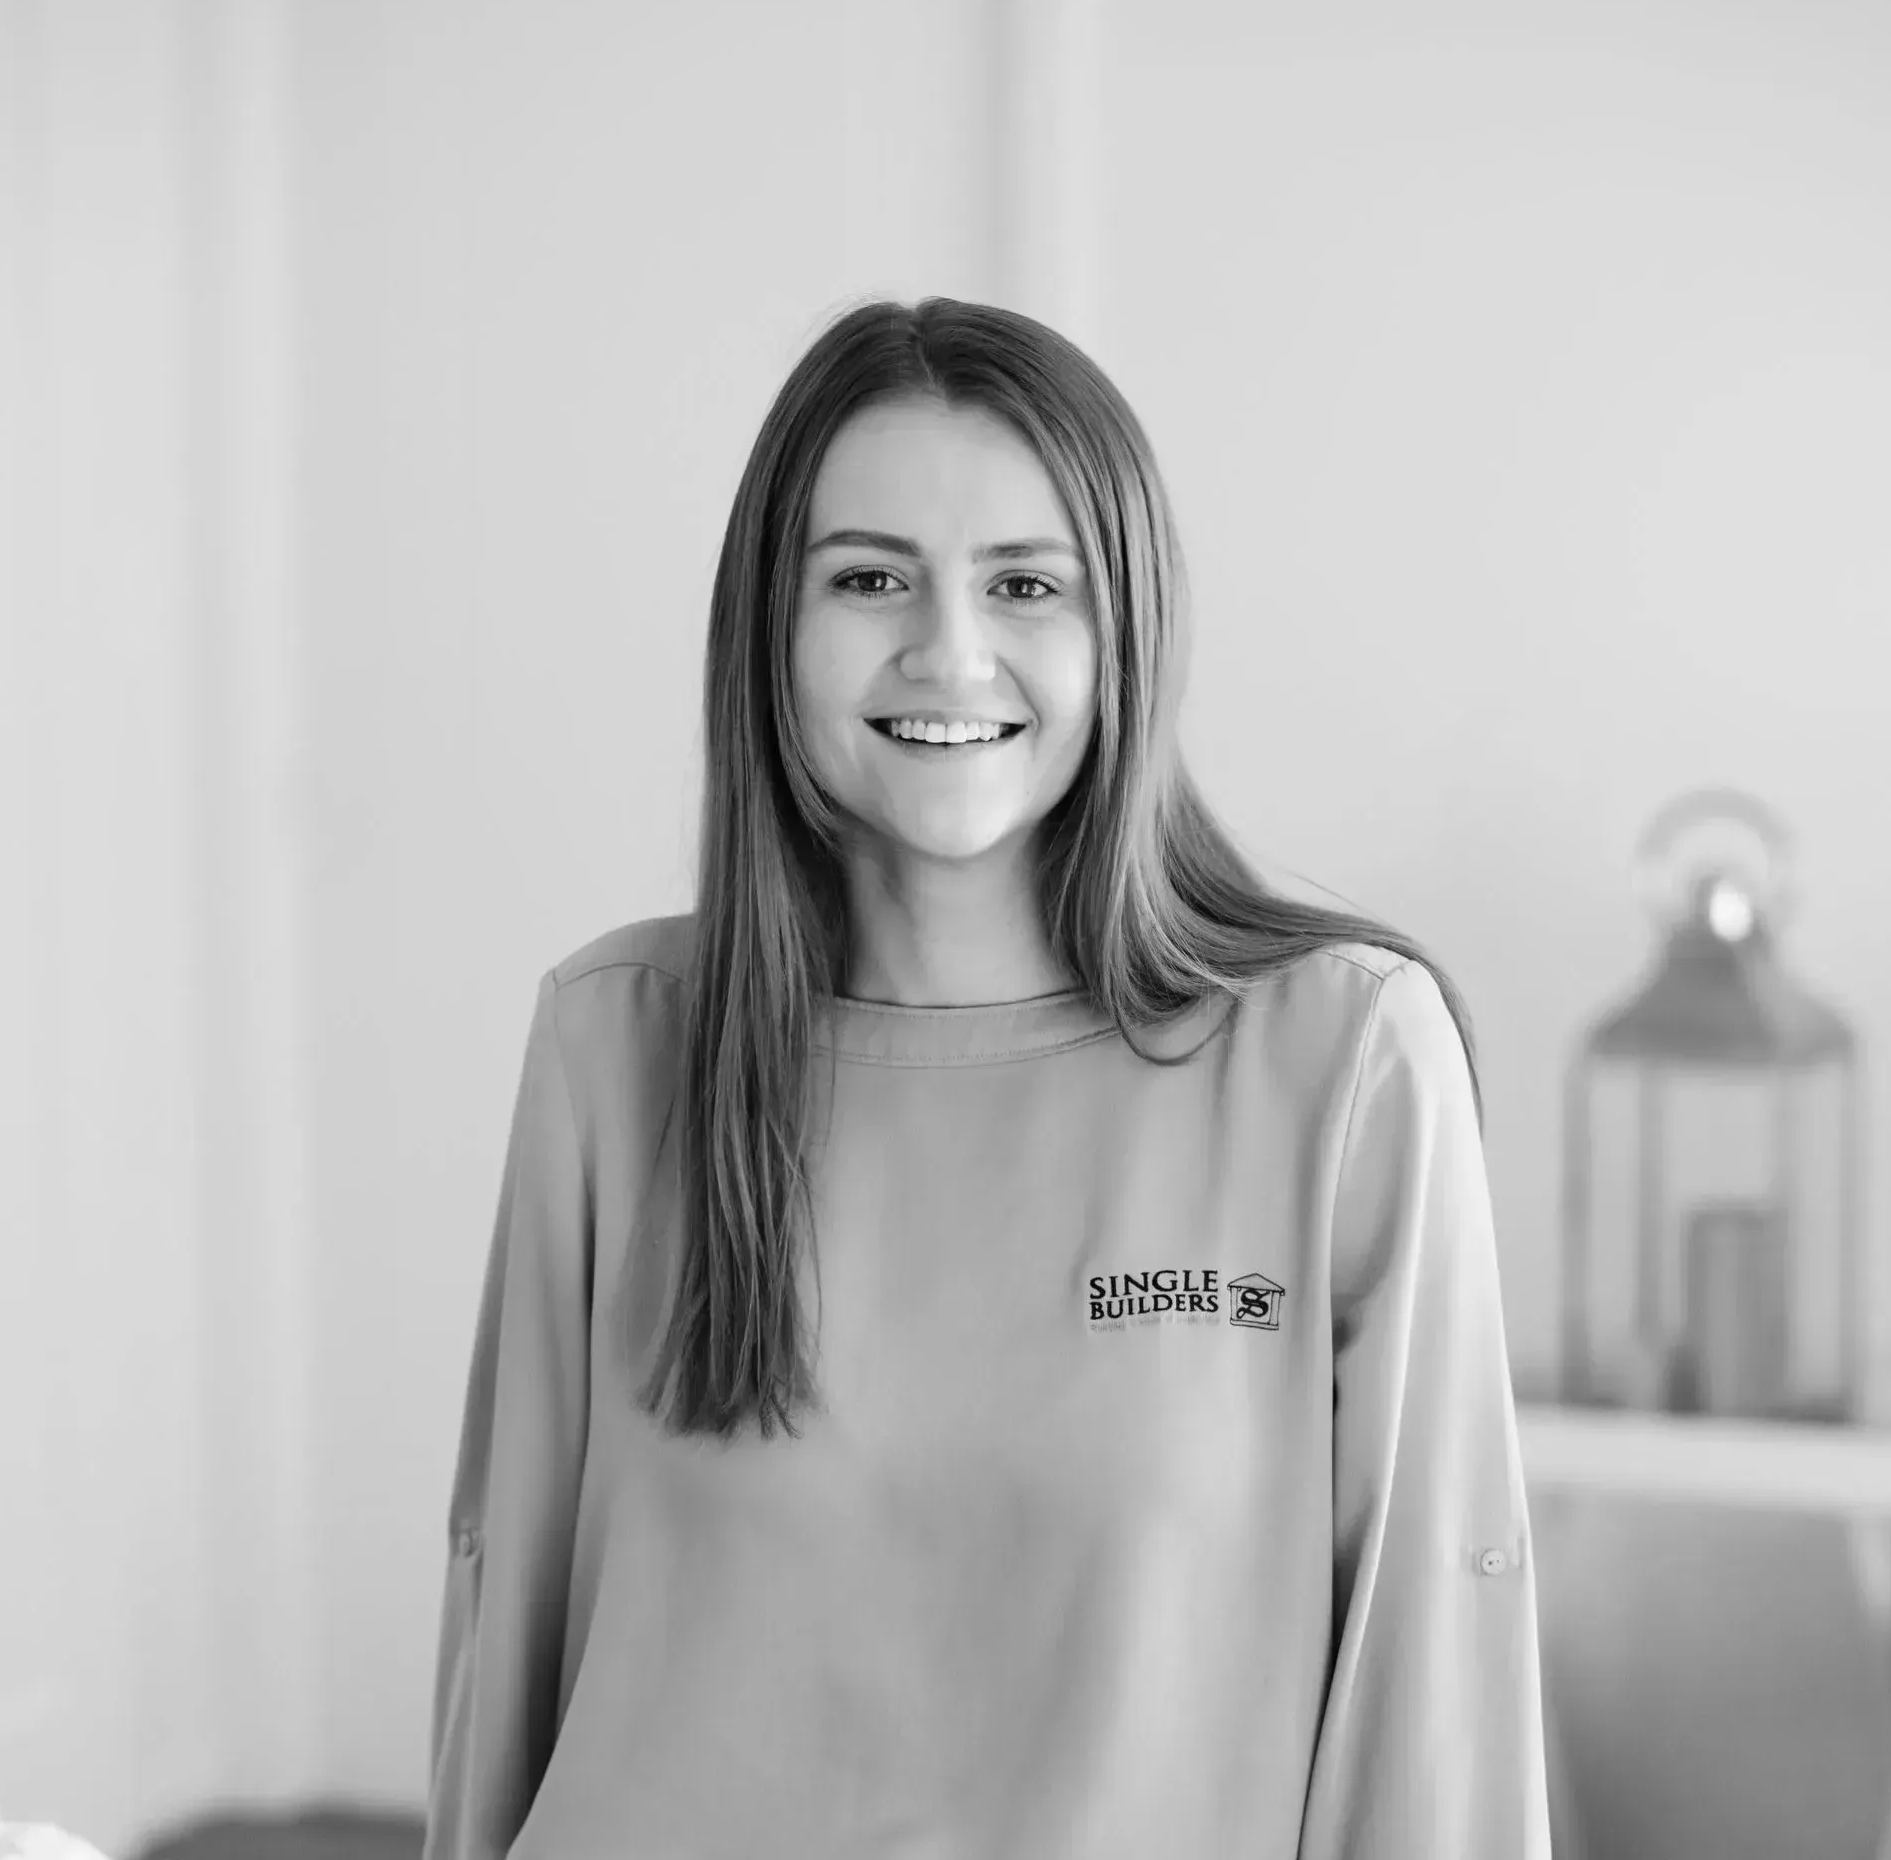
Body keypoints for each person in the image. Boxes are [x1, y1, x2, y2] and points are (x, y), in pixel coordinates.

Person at [423, 296, 1553, 1858]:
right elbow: (510, 1634)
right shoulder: (615, 1041)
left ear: (1126, 628)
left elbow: (1440, 1696)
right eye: (870, 577)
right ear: (772, 625)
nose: (947, 651)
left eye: (1028, 584)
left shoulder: (1344, 1063)